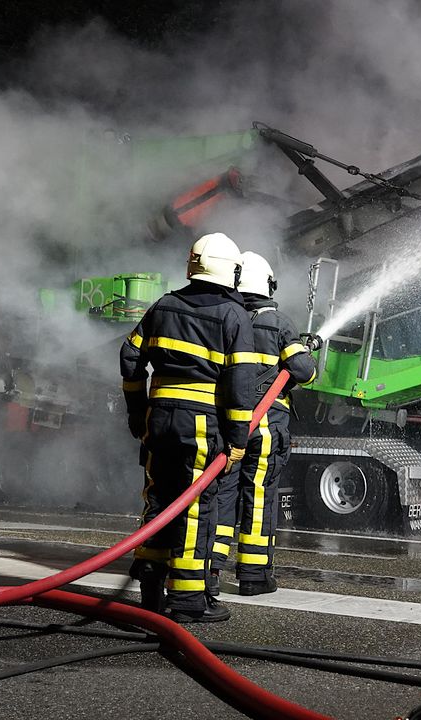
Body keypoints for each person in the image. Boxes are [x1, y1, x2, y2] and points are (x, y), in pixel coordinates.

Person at [119, 232, 256, 623]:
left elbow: (129, 354)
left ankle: (149, 582)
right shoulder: (234, 316)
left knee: (158, 498)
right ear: (231, 272)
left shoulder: (164, 305)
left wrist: (136, 408)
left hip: (158, 417)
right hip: (200, 422)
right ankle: (189, 600)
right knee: (196, 507)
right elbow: (239, 385)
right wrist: (237, 440)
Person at [209, 251, 316, 598]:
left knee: (223, 494)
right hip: (266, 427)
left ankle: (209, 569)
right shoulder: (279, 323)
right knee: (258, 495)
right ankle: (253, 576)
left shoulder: (226, 318)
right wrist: (307, 349)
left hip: (229, 425)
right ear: (268, 285)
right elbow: (304, 372)